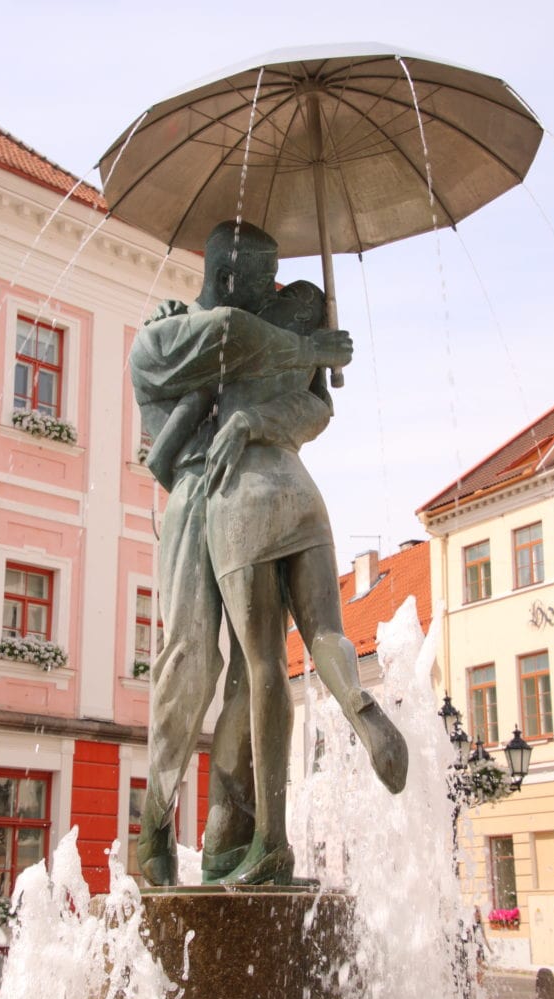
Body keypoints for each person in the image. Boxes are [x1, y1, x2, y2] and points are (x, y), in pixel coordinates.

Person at [130, 221, 351, 886]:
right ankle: (155, 820)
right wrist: (308, 345)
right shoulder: (164, 336)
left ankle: (231, 833)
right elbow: (229, 334)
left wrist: (313, 374)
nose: (273, 288)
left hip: (252, 488)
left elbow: (310, 408)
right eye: (263, 277)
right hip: (195, 493)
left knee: (254, 674)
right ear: (228, 276)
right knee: (191, 659)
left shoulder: (262, 328)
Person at [202, 277, 408, 885]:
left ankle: (271, 839)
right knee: (325, 632)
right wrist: (319, 354)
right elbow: (316, 411)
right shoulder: (312, 371)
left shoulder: (241, 331)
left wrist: (242, 421)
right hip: (302, 495)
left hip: (244, 500)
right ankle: (359, 704)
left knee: (264, 666)